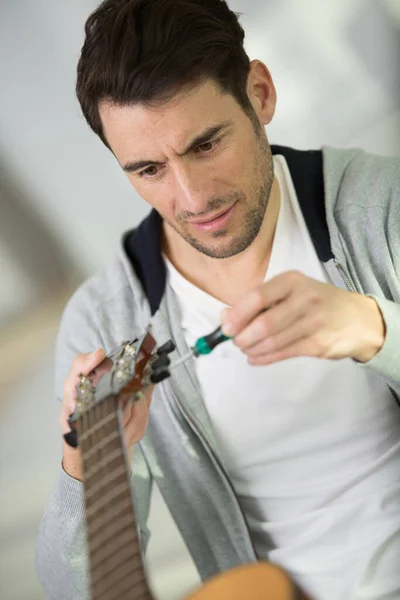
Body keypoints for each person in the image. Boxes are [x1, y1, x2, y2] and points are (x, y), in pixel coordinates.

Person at [36, 1, 400, 599]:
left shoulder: (380, 207)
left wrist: (374, 329)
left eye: (206, 144)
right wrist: (83, 471)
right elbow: (70, 593)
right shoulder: (103, 322)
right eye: (149, 169)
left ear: (259, 93)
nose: (192, 197)